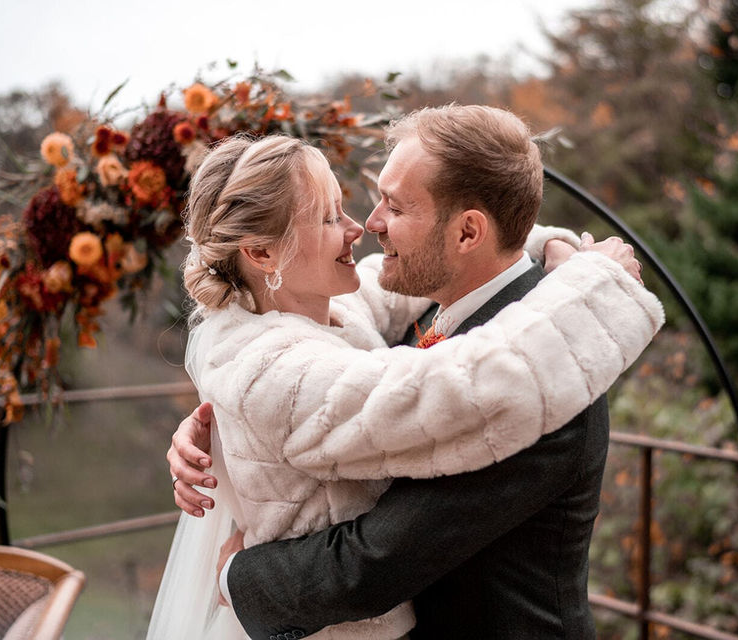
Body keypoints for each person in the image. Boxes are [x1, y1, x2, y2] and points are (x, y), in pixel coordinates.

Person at [164, 106, 664, 639]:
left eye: (394, 206)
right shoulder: (424, 313)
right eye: (338, 213)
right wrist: (225, 433)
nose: (369, 223)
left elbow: (375, 560)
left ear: (468, 233)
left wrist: (236, 576)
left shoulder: (552, 377)